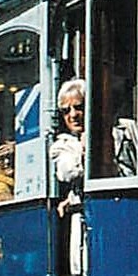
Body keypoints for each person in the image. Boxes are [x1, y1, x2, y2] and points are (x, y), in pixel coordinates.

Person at [52, 81, 85, 216]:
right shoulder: (61, 146)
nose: (73, 115)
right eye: (66, 111)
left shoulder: (123, 130)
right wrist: (85, 149)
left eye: (79, 107)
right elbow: (67, 173)